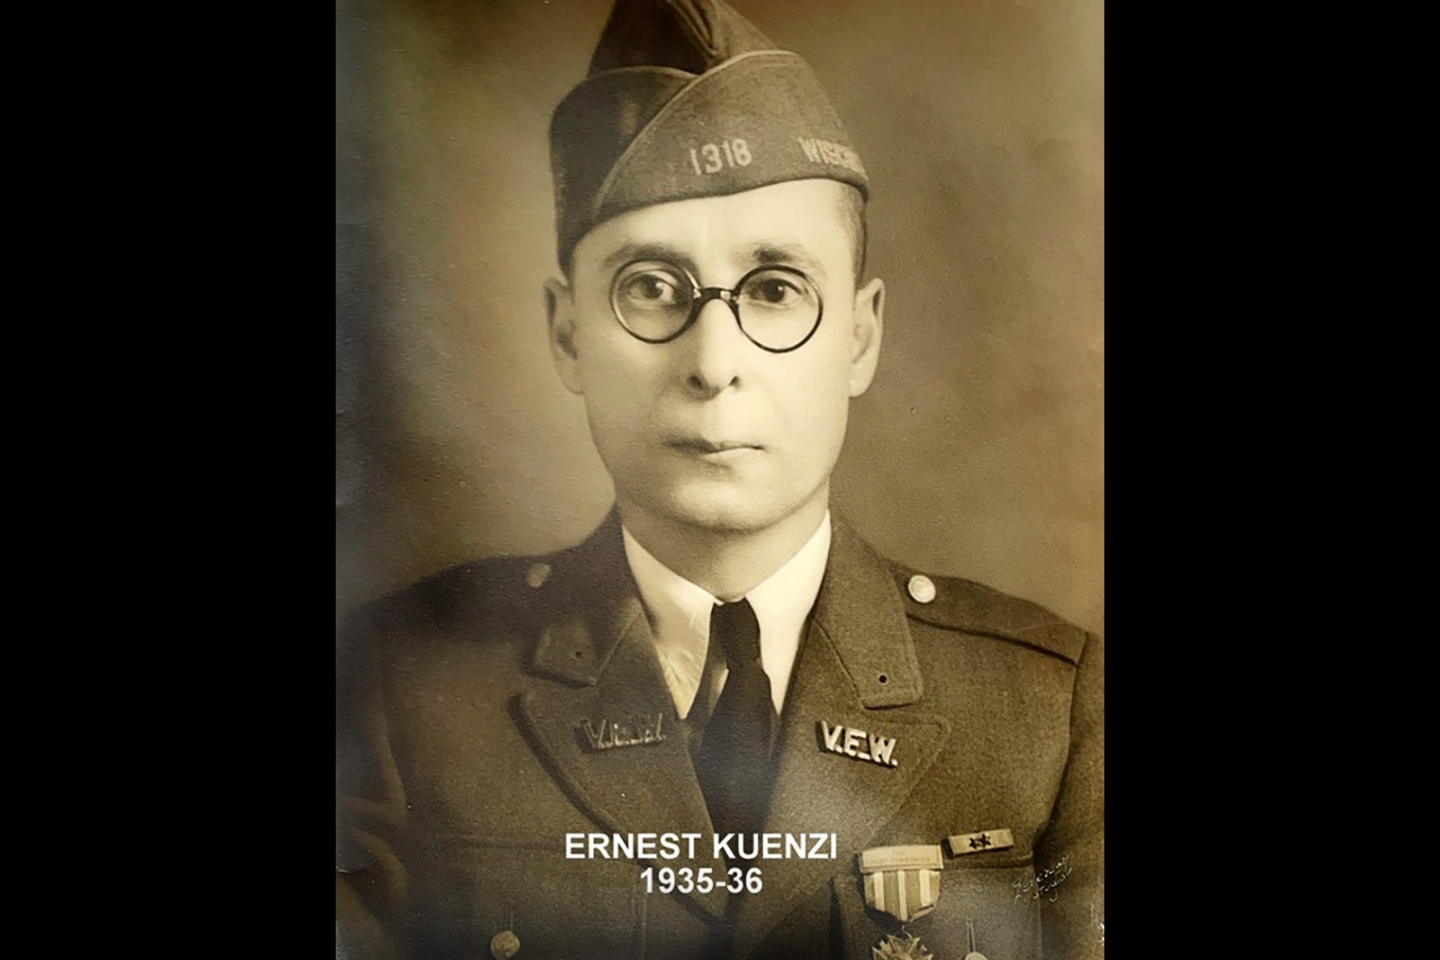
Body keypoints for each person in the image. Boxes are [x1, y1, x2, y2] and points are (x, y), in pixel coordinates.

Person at [335, 1, 1103, 958]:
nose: (711, 363)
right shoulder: (399, 690)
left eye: (776, 289)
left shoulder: (1046, 710)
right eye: (650, 288)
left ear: (859, 336)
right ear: (568, 334)